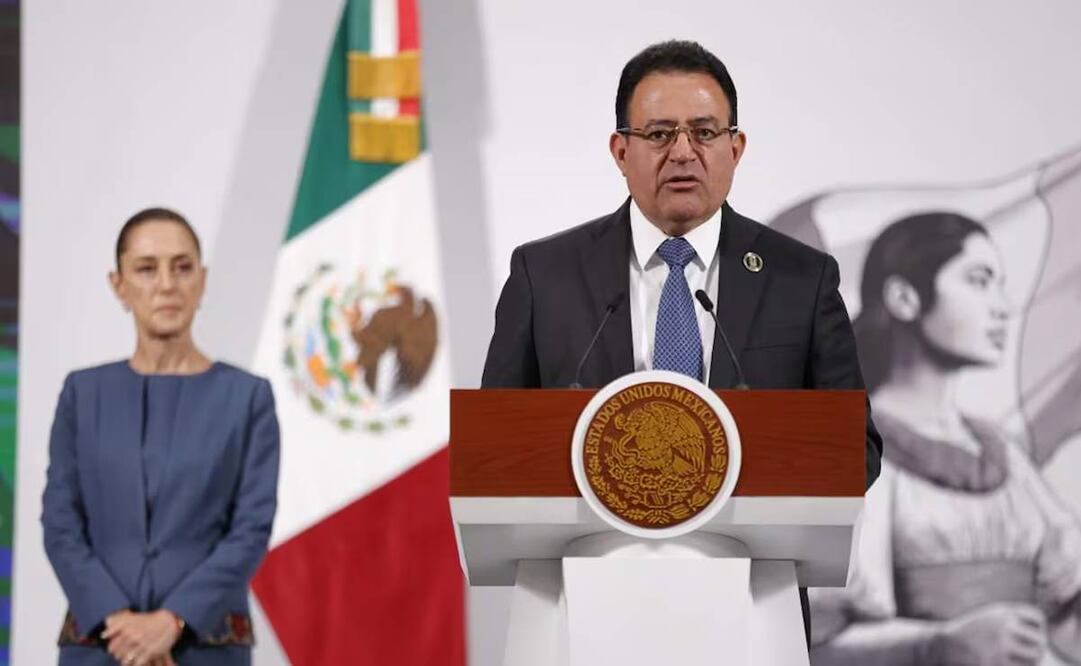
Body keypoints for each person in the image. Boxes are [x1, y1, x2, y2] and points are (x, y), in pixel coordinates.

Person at [480, 39, 883, 640]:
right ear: (621, 150)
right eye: (660, 134)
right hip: (582, 605)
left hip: (752, 608)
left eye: (704, 131)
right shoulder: (546, 274)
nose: (683, 153)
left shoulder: (801, 278)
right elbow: (496, 448)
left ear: (735, 147)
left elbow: (856, 450)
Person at [809, 213, 1081, 666]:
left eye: (1000, 284)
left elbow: (1068, 598)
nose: (1001, 306)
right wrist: (938, 644)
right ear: (904, 297)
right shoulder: (844, 442)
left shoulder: (1000, 453)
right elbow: (808, 637)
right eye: (979, 281)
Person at [42, 208, 280, 666]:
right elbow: (60, 523)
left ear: (203, 280)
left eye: (182, 266)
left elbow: (250, 530)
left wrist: (171, 622)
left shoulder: (248, 398)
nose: (167, 284)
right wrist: (121, 625)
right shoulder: (82, 393)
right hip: (99, 645)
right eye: (147, 269)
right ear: (119, 285)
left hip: (206, 648)